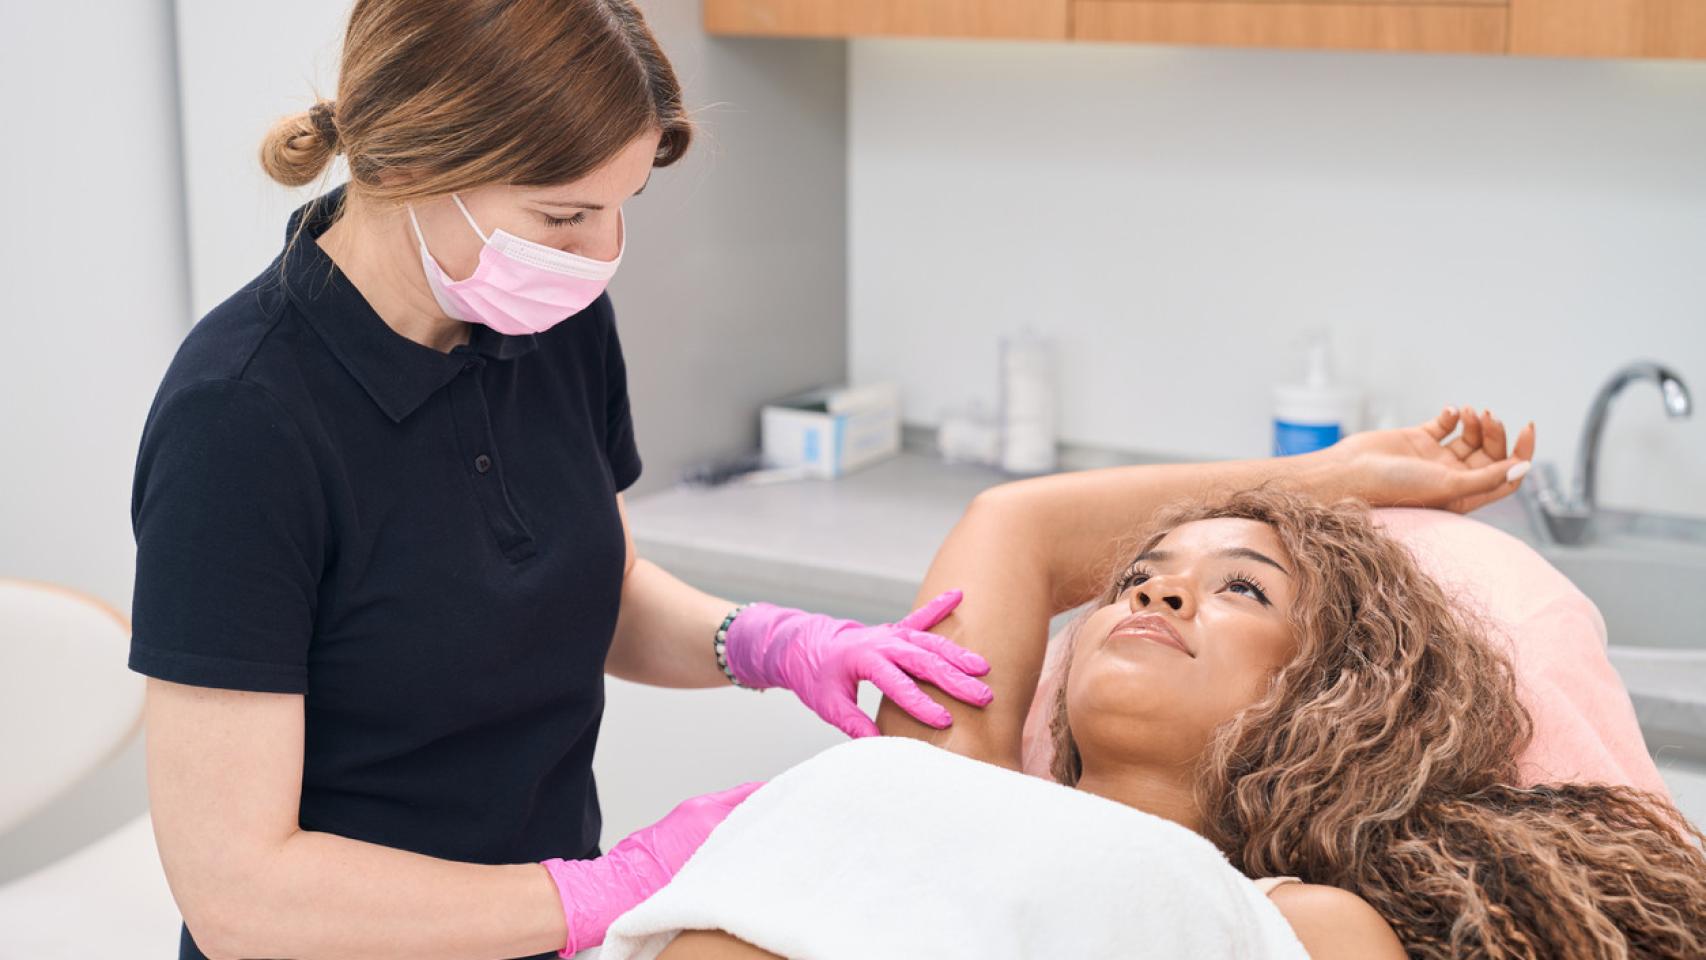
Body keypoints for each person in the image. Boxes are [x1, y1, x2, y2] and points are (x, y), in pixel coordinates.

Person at [128, 3, 996, 958]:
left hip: (536, 936)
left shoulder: (548, 317)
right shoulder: (241, 420)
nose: (599, 252)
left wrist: (765, 642)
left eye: (620, 206)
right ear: (417, 165)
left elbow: (600, 587)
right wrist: (607, 888)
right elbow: (240, 897)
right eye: (565, 216)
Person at [654, 409, 1706, 959]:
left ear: (1330, 693)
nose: (1152, 599)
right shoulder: (950, 761)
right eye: (1137, 581)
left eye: (1240, 591)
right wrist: (1338, 475)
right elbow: (1016, 524)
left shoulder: (1314, 927)